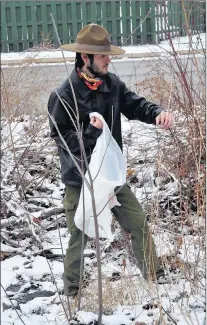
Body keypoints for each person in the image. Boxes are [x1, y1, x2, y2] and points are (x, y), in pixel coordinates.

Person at [48, 24, 174, 296]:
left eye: (108, 54)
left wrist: (157, 113)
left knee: (138, 223)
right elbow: (64, 141)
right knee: (78, 236)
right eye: (103, 55)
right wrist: (90, 132)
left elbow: (136, 104)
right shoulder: (63, 95)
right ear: (85, 58)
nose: (109, 59)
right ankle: (73, 292)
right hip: (80, 179)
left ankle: (156, 278)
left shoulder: (112, 84)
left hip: (110, 175)